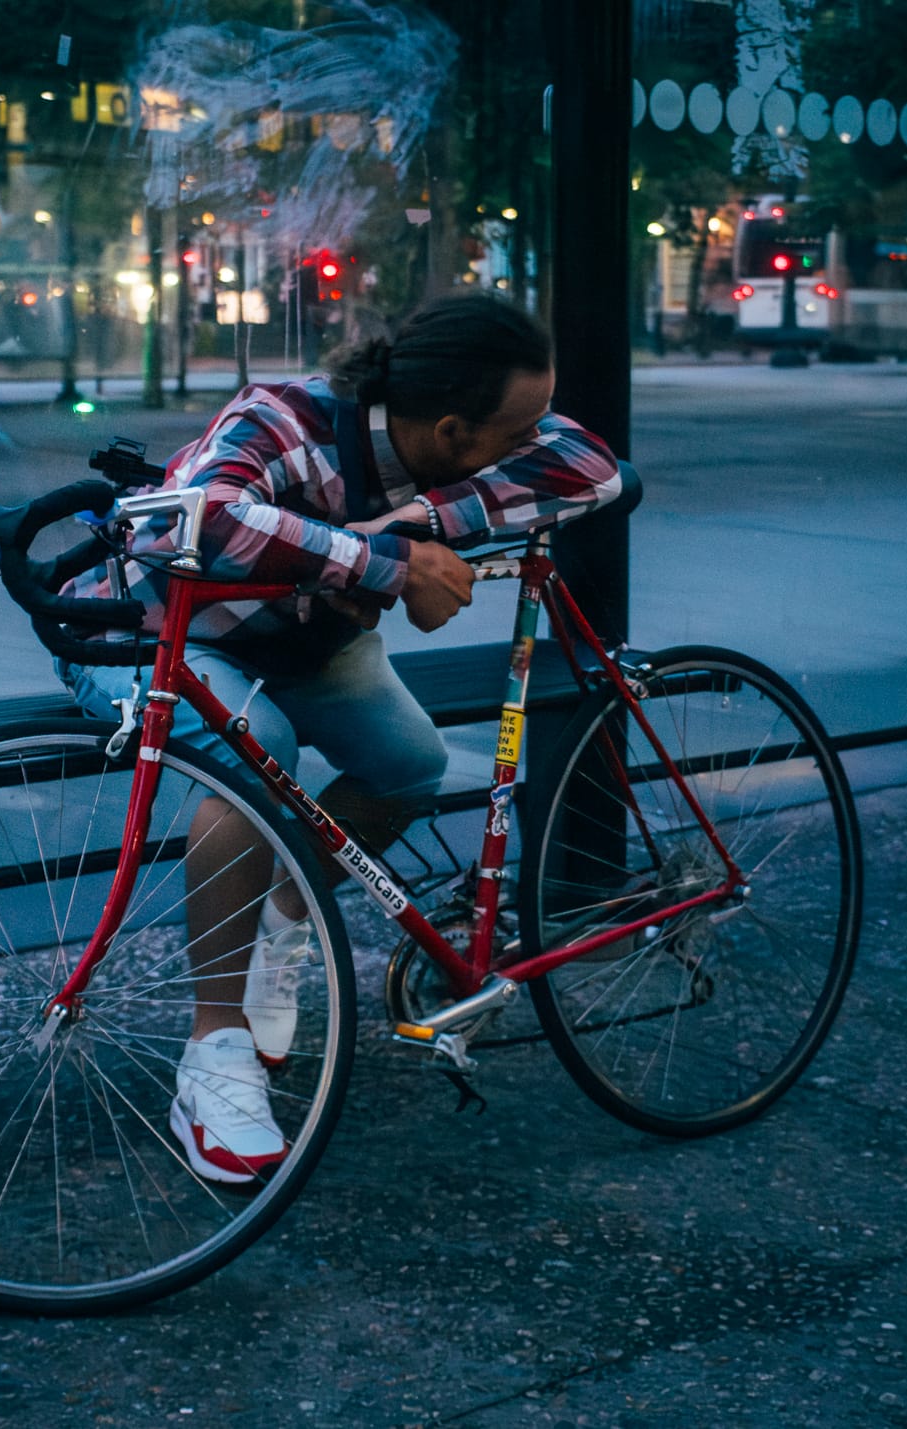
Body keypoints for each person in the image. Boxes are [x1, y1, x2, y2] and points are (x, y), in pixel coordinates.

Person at [58, 290, 622, 1184]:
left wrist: (415, 522)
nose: (531, 444)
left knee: (411, 767)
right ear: (447, 431)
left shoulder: (456, 448)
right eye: (515, 435)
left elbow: (594, 469)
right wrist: (382, 561)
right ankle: (214, 1048)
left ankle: (286, 925)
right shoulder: (281, 420)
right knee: (260, 750)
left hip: (302, 639)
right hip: (144, 633)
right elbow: (197, 517)